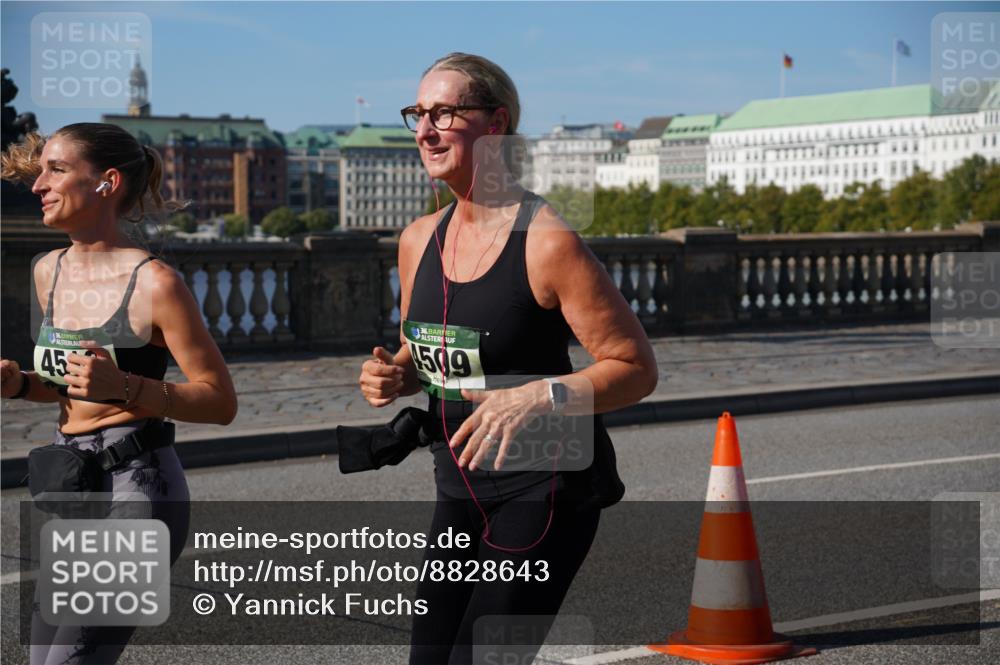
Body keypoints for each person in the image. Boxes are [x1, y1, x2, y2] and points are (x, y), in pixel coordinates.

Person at [357, 53, 658, 664]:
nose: (424, 129)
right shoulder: (419, 239)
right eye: (418, 113)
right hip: (460, 484)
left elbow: (635, 368)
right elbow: (430, 348)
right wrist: (399, 371)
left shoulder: (547, 242)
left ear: (495, 125)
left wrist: (538, 393)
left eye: (444, 112)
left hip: (546, 488)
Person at [1, 123, 238, 665]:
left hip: (138, 487)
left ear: (106, 183)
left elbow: (220, 401)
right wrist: (18, 385)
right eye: (40, 170)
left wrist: (127, 387)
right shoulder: (48, 271)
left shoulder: (156, 283)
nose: (38, 184)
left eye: (56, 170)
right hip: (70, 485)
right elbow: (70, 388)